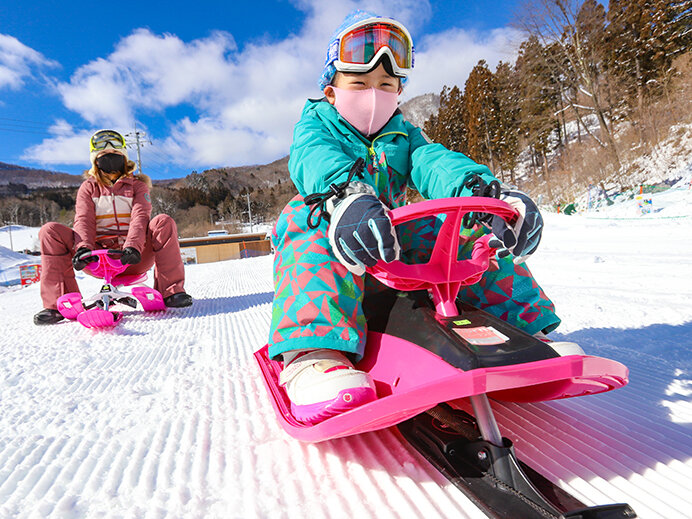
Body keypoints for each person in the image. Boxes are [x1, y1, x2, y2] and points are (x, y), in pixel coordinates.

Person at [268, 11, 578, 424]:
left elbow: (434, 163)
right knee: (303, 220)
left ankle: (524, 334)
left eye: (385, 85)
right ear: (331, 91)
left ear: (399, 91)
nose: (372, 95)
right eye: (358, 83)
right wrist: (345, 196)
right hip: (342, 239)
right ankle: (312, 353)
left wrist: (485, 195)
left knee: (471, 227)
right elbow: (312, 158)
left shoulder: (404, 134)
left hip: (392, 245)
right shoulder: (315, 126)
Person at [33, 129, 192, 325]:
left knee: (163, 222)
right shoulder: (89, 188)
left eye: (116, 155)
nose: (110, 159)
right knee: (50, 231)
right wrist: (84, 248)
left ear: (124, 158)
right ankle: (58, 304)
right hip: (98, 258)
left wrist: (132, 246)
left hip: (135, 255)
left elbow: (140, 216)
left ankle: (171, 292)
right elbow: (84, 219)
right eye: (103, 156)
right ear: (95, 161)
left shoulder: (137, 186)